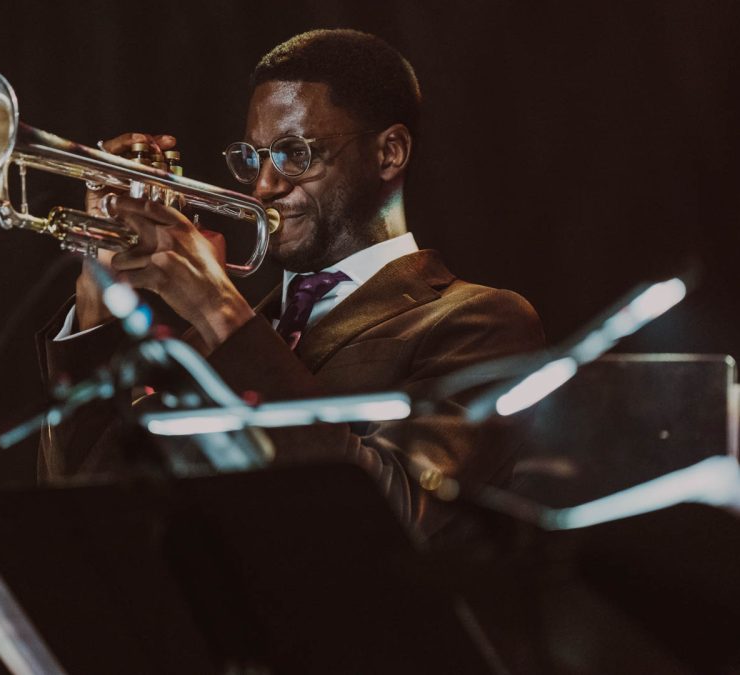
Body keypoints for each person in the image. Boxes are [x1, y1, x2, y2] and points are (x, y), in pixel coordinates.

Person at [37, 29, 545, 538]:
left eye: (295, 155)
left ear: (390, 152)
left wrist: (217, 307)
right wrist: (96, 291)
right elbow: (81, 504)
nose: (265, 186)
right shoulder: (203, 346)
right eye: (254, 158)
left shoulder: (482, 321)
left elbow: (396, 514)